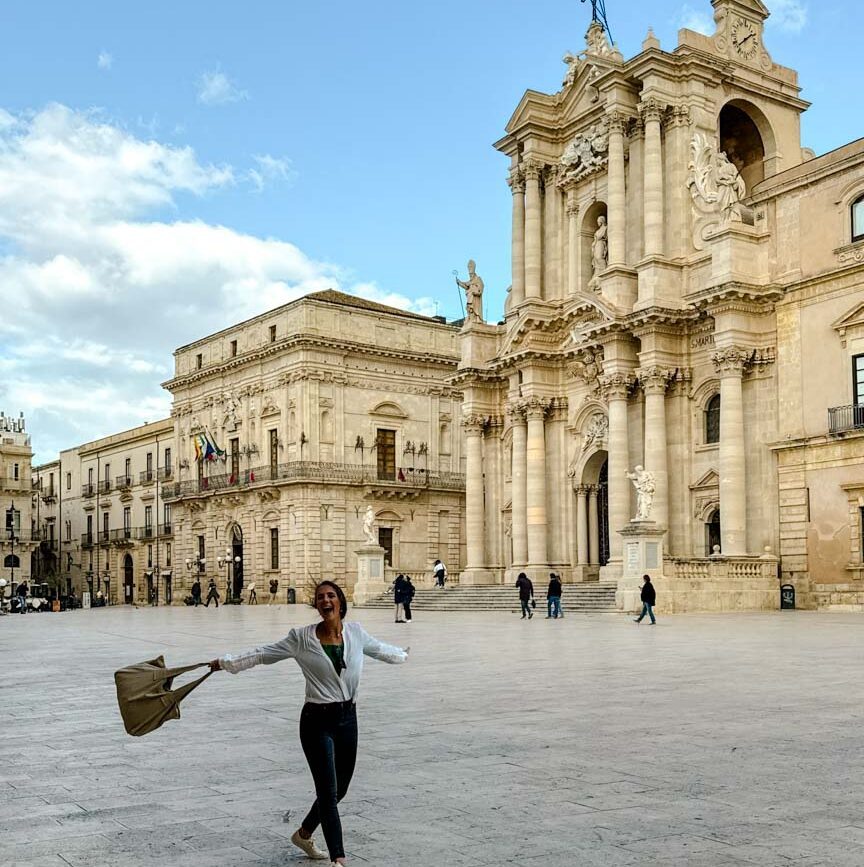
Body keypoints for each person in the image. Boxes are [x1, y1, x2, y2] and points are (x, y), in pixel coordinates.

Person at [209, 580, 408, 867]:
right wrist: (226, 662)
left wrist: (404, 655)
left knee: (341, 790)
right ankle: (339, 859)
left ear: (341, 601)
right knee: (327, 791)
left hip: (347, 719)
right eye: (320, 598)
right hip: (316, 721)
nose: (325, 601)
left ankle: (304, 834)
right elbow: (263, 653)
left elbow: (381, 650)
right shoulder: (301, 638)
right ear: (316, 605)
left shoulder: (356, 633)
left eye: (331, 596)